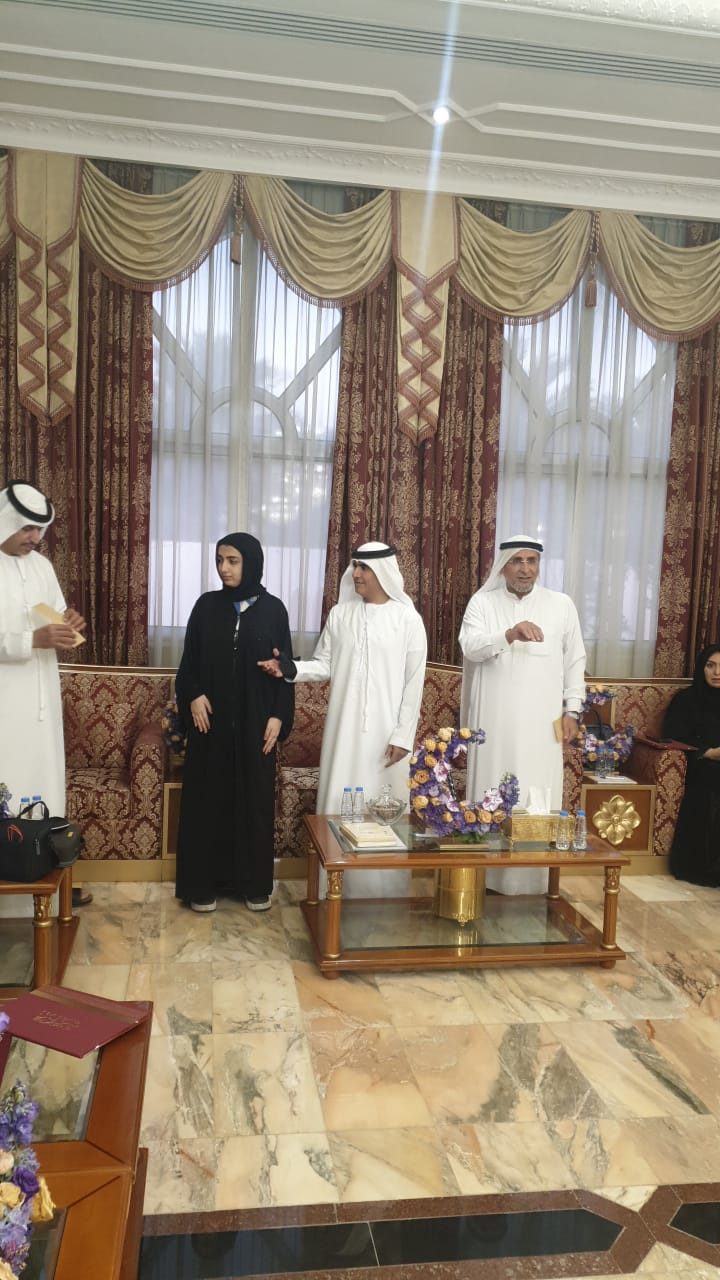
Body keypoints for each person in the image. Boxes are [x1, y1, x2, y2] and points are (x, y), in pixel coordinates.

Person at [259, 542, 427, 897]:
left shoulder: (408, 620)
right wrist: (289, 669)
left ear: (382, 572)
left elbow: (414, 683)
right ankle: (334, 890)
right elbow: (325, 664)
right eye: (355, 566)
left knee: (385, 809)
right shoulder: (340, 614)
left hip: (388, 739)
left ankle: (383, 893)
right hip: (343, 733)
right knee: (339, 803)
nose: (356, 574)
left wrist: (403, 736)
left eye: (363, 568)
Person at [459, 533, 586, 894]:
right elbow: (470, 647)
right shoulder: (482, 603)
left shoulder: (561, 605)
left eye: (532, 561)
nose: (525, 569)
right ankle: (486, 877)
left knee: (536, 793)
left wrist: (573, 710)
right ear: (503, 566)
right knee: (491, 788)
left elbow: (575, 661)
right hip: (493, 724)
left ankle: (532, 881)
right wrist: (509, 634)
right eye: (517, 561)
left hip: (541, 727)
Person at [175, 533, 294, 913]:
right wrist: (193, 695)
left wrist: (278, 715)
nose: (223, 568)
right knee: (206, 801)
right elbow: (188, 664)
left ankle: (253, 884)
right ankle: (201, 885)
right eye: (220, 560)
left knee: (253, 801)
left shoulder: (274, 610)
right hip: (210, 724)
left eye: (233, 561)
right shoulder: (206, 606)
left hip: (255, 724)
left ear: (251, 563)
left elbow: (286, 669)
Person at [0, 480, 91, 906]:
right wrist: (29, 641)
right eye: (26, 529)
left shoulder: (42, 567)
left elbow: (52, 620)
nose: (35, 538)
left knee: (45, 789)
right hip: (5, 707)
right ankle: (11, 898)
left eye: (39, 529)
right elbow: (31, 635)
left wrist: (67, 623)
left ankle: (53, 890)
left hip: (41, 703)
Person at [663, 644, 720, 887]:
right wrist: (707, 752)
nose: (717, 672)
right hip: (700, 764)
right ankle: (706, 867)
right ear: (701, 668)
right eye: (711, 665)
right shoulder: (686, 700)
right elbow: (673, 735)